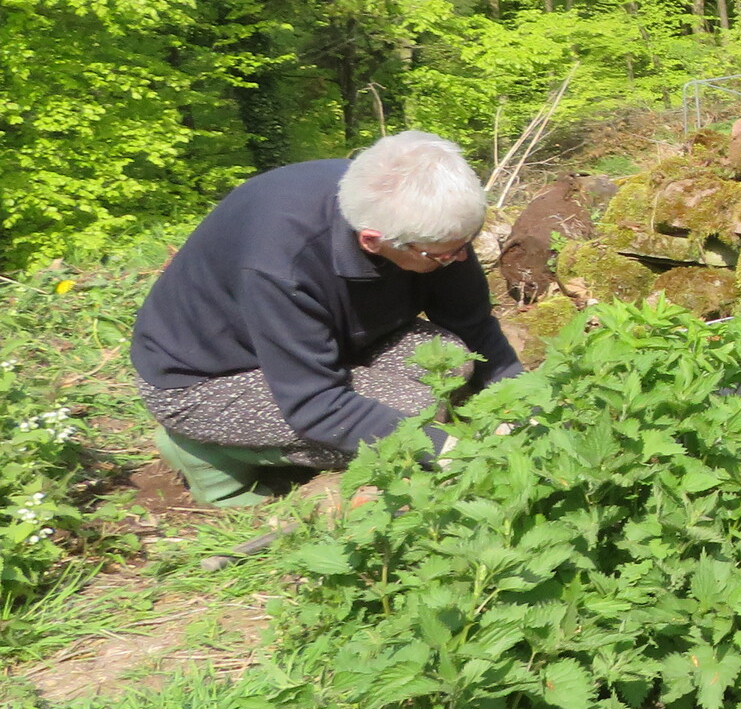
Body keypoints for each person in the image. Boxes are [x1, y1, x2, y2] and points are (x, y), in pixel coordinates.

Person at [130, 130, 524, 508]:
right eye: (444, 255)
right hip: (210, 380)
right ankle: (207, 450)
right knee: (414, 412)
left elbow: (471, 324)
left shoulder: (418, 213)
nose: (460, 259)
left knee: (451, 360)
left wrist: (524, 403)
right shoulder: (280, 266)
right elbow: (316, 404)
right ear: (373, 240)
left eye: (465, 244)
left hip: (329, 342)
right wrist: (447, 450)